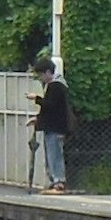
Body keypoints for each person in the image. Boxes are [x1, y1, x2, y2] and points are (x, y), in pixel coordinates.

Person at [32, 58, 74, 192]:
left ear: (48, 72)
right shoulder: (58, 85)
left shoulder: (55, 86)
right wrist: (37, 120)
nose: (41, 78)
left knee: (54, 153)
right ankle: (56, 179)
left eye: (41, 75)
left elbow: (50, 106)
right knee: (53, 153)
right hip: (56, 126)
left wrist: (37, 99)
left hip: (55, 127)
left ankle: (58, 180)